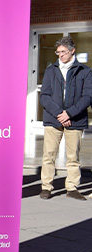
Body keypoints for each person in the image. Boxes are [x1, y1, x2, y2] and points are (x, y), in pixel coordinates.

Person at [40, 35, 92, 200]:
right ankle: (46, 187)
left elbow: (87, 97)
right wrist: (60, 114)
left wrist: (69, 113)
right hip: (53, 119)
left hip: (75, 119)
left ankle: (72, 188)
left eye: (63, 52)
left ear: (72, 51)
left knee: (73, 157)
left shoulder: (85, 71)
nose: (60, 55)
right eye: (58, 52)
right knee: (48, 155)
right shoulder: (51, 70)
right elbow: (44, 96)